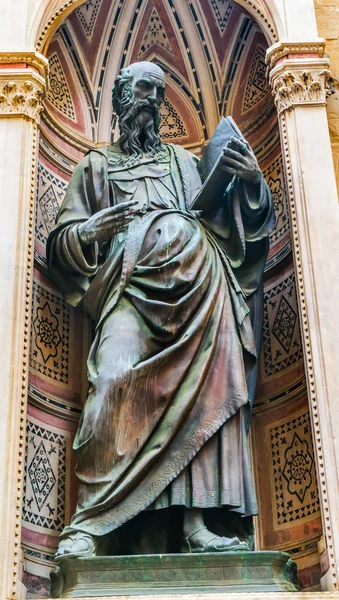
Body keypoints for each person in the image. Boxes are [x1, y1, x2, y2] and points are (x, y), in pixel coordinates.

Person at [47, 61, 274, 558]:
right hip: (130, 291)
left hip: (200, 289)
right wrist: (90, 232)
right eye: (143, 90)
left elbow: (225, 220)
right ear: (122, 98)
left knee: (206, 392)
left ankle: (196, 523)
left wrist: (252, 184)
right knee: (113, 378)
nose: (152, 100)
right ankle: (91, 523)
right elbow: (61, 243)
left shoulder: (180, 161)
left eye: (159, 93)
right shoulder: (97, 166)